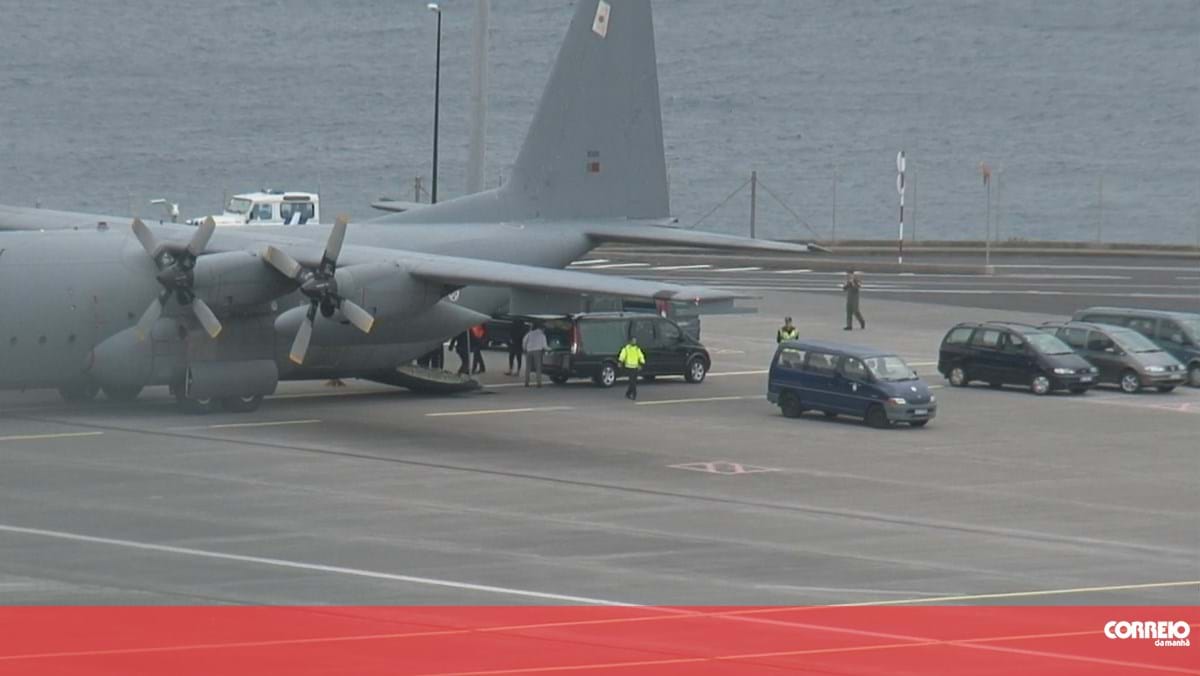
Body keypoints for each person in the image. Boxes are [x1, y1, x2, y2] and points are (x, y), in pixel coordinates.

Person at [617, 336, 646, 400]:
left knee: (633, 382)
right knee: (632, 382)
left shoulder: (637, 349)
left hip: (635, 367)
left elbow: (641, 356)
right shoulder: (626, 348)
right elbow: (622, 355)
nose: (634, 342)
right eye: (633, 340)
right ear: (630, 341)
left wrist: (641, 364)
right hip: (629, 367)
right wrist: (620, 362)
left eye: (635, 340)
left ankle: (628, 393)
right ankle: (634, 394)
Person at [522, 323, 547, 387]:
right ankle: (539, 383)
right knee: (538, 367)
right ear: (542, 328)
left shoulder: (529, 333)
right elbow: (544, 346)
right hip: (537, 351)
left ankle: (526, 383)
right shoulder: (542, 335)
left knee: (528, 367)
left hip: (529, 351)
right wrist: (549, 349)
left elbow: (524, 341)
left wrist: (525, 349)